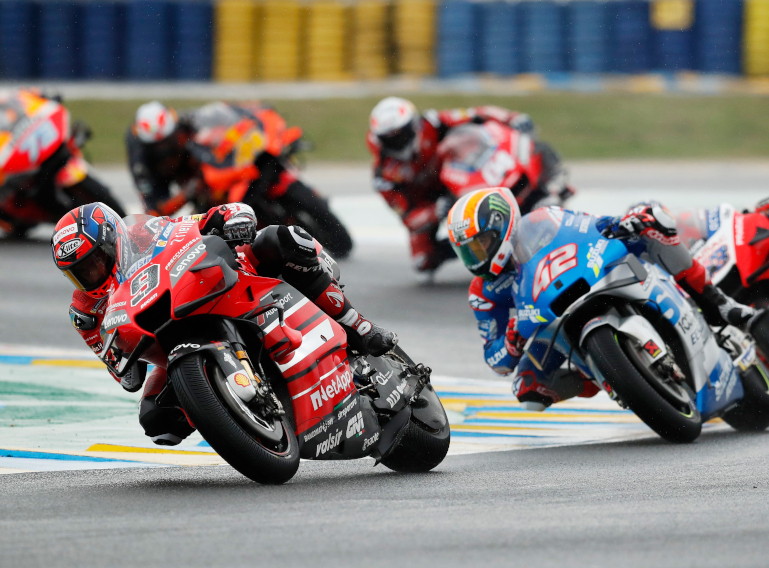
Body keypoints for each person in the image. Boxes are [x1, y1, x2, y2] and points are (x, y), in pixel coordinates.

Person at [51, 201, 397, 446]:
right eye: (79, 273)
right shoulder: (85, 312)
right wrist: (119, 354)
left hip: (208, 284)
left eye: (95, 261)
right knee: (157, 422)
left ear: (114, 242)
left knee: (279, 239)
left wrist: (231, 217)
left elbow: (203, 220)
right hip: (166, 340)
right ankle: (233, 411)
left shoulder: (143, 233)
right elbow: (128, 378)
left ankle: (359, 326)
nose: (90, 275)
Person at [448, 188, 757, 411]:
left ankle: (720, 304)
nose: (475, 257)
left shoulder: (543, 220)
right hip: (548, 321)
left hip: (592, 275)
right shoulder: (482, 292)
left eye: (481, 244)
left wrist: (619, 225)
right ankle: (607, 376)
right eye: (467, 250)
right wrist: (512, 342)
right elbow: (496, 361)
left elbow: (589, 225)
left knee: (654, 225)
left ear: (502, 227)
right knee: (527, 389)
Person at [367, 96, 535, 275]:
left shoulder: (432, 123)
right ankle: (477, 251)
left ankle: (533, 190)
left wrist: (511, 118)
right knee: (422, 260)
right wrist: (433, 212)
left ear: (414, 125)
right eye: (390, 139)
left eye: (402, 134)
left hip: (460, 175)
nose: (399, 142)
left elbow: (475, 113)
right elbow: (407, 216)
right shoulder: (383, 175)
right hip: (431, 203)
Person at [125, 101, 202, 216]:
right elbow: (153, 210)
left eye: (167, 141)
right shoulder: (139, 159)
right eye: (156, 146)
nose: (163, 150)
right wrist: (184, 196)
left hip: (186, 163)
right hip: (157, 176)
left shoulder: (187, 123)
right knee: (154, 217)